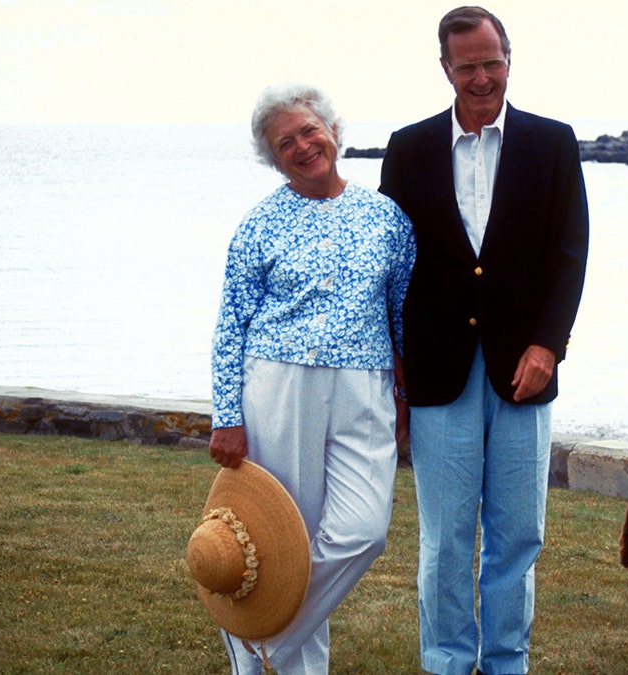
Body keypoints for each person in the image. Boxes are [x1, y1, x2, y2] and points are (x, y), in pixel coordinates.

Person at [379, 7, 589, 674]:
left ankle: (505, 662)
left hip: (524, 371)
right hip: (439, 372)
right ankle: (446, 661)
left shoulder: (553, 142)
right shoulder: (408, 148)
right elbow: (391, 268)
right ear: (445, 68)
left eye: (491, 61)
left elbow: (570, 254)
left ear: (509, 58)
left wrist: (547, 345)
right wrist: (397, 371)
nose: (481, 76)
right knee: (445, 540)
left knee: (517, 535)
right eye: (466, 65)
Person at [208, 83, 416, 675]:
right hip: (280, 386)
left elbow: (401, 318)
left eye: (309, 131)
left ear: (332, 132)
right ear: (272, 159)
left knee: (363, 532)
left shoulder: (387, 218)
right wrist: (226, 415)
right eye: (285, 143)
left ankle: (261, 643)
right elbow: (231, 325)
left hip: (364, 389)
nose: (303, 146)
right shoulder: (259, 225)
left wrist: (403, 401)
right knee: (278, 543)